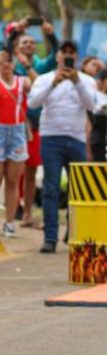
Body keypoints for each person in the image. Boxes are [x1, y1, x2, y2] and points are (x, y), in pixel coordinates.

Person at [28, 40, 96, 253]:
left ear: (76, 57)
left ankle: (74, 232)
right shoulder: (44, 78)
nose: (67, 56)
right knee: (51, 189)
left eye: (71, 53)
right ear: (57, 56)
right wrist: (53, 84)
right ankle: (50, 238)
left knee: (78, 189)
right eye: (63, 53)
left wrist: (77, 82)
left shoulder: (86, 80)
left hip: (76, 138)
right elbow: (32, 103)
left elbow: (92, 105)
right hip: (51, 138)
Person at [8, 18, 58, 227]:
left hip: (37, 126)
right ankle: (12, 212)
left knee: (31, 171)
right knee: (11, 173)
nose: (29, 45)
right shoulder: (10, 64)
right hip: (17, 125)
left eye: (32, 42)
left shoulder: (40, 64)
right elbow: (5, 51)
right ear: (17, 46)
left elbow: (56, 56)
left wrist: (51, 36)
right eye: (24, 42)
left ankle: (27, 214)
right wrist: (13, 34)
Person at [0, 50, 30, 237]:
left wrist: (26, 65)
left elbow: (38, 84)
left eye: (8, 61)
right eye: (2, 61)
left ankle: (10, 223)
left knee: (13, 181)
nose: (5, 64)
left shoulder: (23, 82)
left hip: (18, 132)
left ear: (13, 64)